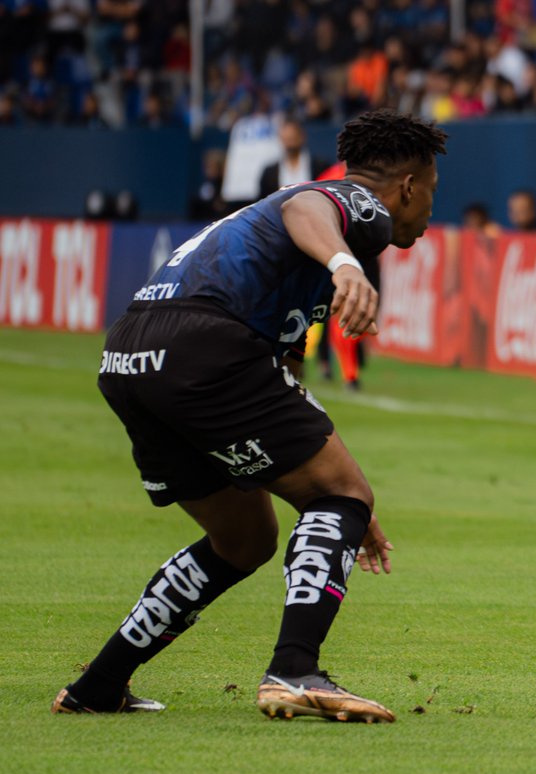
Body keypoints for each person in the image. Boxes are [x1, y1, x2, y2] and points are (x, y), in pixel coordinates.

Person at [52, 110, 448, 723]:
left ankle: (98, 685)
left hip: (132, 355)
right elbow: (305, 207)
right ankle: (294, 670)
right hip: (204, 344)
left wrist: (330, 506)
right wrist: (343, 500)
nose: (428, 211)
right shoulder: (357, 206)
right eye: (432, 194)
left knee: (244, 539)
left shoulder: (285, 253)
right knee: (343, 494)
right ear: (409, 187)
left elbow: (280, 381)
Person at [257, 118, 331, 200]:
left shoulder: (320, 166)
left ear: (302, 137)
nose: (290, 143)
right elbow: (262, 203)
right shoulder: (270, 173)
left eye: (292, 138)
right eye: (287, 139)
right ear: (281, 139)